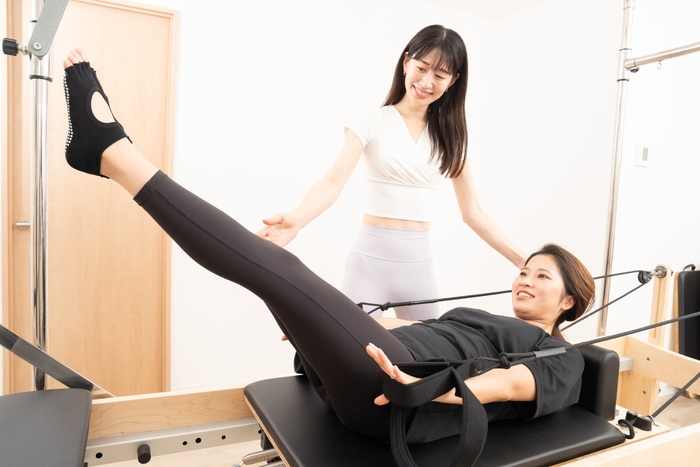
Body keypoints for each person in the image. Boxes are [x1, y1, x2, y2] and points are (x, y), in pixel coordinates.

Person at [62, 48, 594, 445]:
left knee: (276, 270)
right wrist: (324, 323)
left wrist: (425, 389)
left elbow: (506, 385)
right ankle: (110, 153)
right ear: (407, 64)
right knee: (277, 279)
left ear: (569, 301)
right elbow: (401, 324)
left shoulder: (560, 356)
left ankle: (112, 153)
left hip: (401, 391)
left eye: (542, 276)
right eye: (526, 269)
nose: (525, 278)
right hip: (378, 357)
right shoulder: (478, 316)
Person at [257, 25, 527, 320]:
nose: (426, 82)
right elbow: (332, 182)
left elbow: (472, 212)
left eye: (440, 75)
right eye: (421, 68)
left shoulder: (454, 138)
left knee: (428, 349)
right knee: (356, 346)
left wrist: (524, 262)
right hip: (368, 267)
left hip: (419, 269)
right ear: (406, 62)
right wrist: (296, 219)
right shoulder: (371, 121)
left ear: (453, 80)